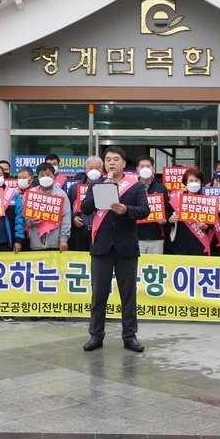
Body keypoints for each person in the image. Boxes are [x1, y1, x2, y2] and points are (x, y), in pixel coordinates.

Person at [80, 146, 149, 353]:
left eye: (115, 159)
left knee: (128, 295)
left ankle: (129, 336)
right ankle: (96, 335)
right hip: (101, 247)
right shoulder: (97, 184)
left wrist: (126, 210)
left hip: (126, 247)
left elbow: (145, 210)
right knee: (98, 294)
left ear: (123, 163)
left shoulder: (135, 186)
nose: (111, 163)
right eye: (108, 159)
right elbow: (85, 209)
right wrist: (102, 188)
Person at [15, 162, 71, 253]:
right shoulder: (30, 194)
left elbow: (66, 218)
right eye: (41, 175)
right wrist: (30, 221)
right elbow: (23, 216)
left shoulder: (61, 194)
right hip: (35, 242)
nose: (45, 177)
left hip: (55, 242)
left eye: (48, 174)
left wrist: (63, 239)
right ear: (38, 177)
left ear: (54, 175)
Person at [168, 168, 212, 256]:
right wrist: (171, 220)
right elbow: (168, 217)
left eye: (196, 180)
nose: (194, 183)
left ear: (201, 183)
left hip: (200, 242)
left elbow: (212, 222)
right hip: (181, 242)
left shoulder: (207, 200)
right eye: (191, 180)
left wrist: (206, 226)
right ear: (186, 183)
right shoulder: (177, 199)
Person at [67, 156, 103, 252]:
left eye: (97, 168)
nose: (94, 171)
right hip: (80, 230)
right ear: (85, 170)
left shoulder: (108, 185)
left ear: (102, 169)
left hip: (101, 231)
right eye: (91, 168)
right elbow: (66, 208)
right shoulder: (74, 188)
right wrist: (73, 217)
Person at [134, 156, 169, 256]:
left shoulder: (161, 188)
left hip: (156, 237)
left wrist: (164, 219)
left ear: (153, 168)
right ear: (137, 169)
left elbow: (167, 210)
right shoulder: (131, 187)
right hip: (136, 237)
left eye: (148, 166)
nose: (145, 168)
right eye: (142, 166)